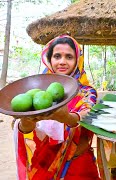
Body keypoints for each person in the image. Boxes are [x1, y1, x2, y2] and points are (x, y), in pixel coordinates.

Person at [13, 35, 100, 179]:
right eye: (57, 56)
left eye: (69, 57)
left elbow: (87, 116)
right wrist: (27, 120)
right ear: (49, 59)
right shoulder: (37, 91)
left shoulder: (86, 92)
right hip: (43, 164)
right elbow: (25, 129)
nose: (62, 62)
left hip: (77, 168)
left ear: (77, 60)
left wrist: (66, 117)